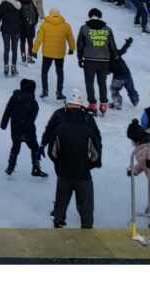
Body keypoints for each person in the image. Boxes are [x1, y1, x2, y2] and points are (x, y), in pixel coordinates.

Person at [41, 91, 101, 229]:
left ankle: (58, 221)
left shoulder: (60, 122)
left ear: (67, 103)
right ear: (81, 105)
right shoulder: (88, 121)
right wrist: (91, 164)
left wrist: (58, 161)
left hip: (64, 170)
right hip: (83, 172)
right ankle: (87, 227)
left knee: (61, 200)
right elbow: (96, 145)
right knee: (85, 203)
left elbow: (53, 150)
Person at [0, 79, 47, 177]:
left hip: (15, 128)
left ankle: (10, 167)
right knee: (35, 148)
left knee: (15, 146)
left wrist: (3, 124)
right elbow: (33, 117)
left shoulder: (14, 97)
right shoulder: (33, 102)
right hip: (28, 130)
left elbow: (7, 110)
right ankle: (36, 168)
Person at [76, 8, 117, 115]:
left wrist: (80, 58)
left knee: (89, 82)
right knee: (102, 82)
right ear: (100, 16)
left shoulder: (84, 29)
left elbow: (80, 45)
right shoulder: (107, 29)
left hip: (89, 60)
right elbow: (112, 46)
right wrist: (113, 60)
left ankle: (92, 104)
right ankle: (103, 104)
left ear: (90, 16)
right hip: (104, 60)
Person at [32, 9, 75, 100]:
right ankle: (59, 92)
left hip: (47, 53)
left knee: (44, 72)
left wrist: (34, 50)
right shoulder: (66, 26)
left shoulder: (44, 25)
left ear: (50, 14)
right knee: (60, 73)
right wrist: (72, 48)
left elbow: (38, 39)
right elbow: (70, 38)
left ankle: (45, 91)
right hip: (59, 53)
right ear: (59, 15)